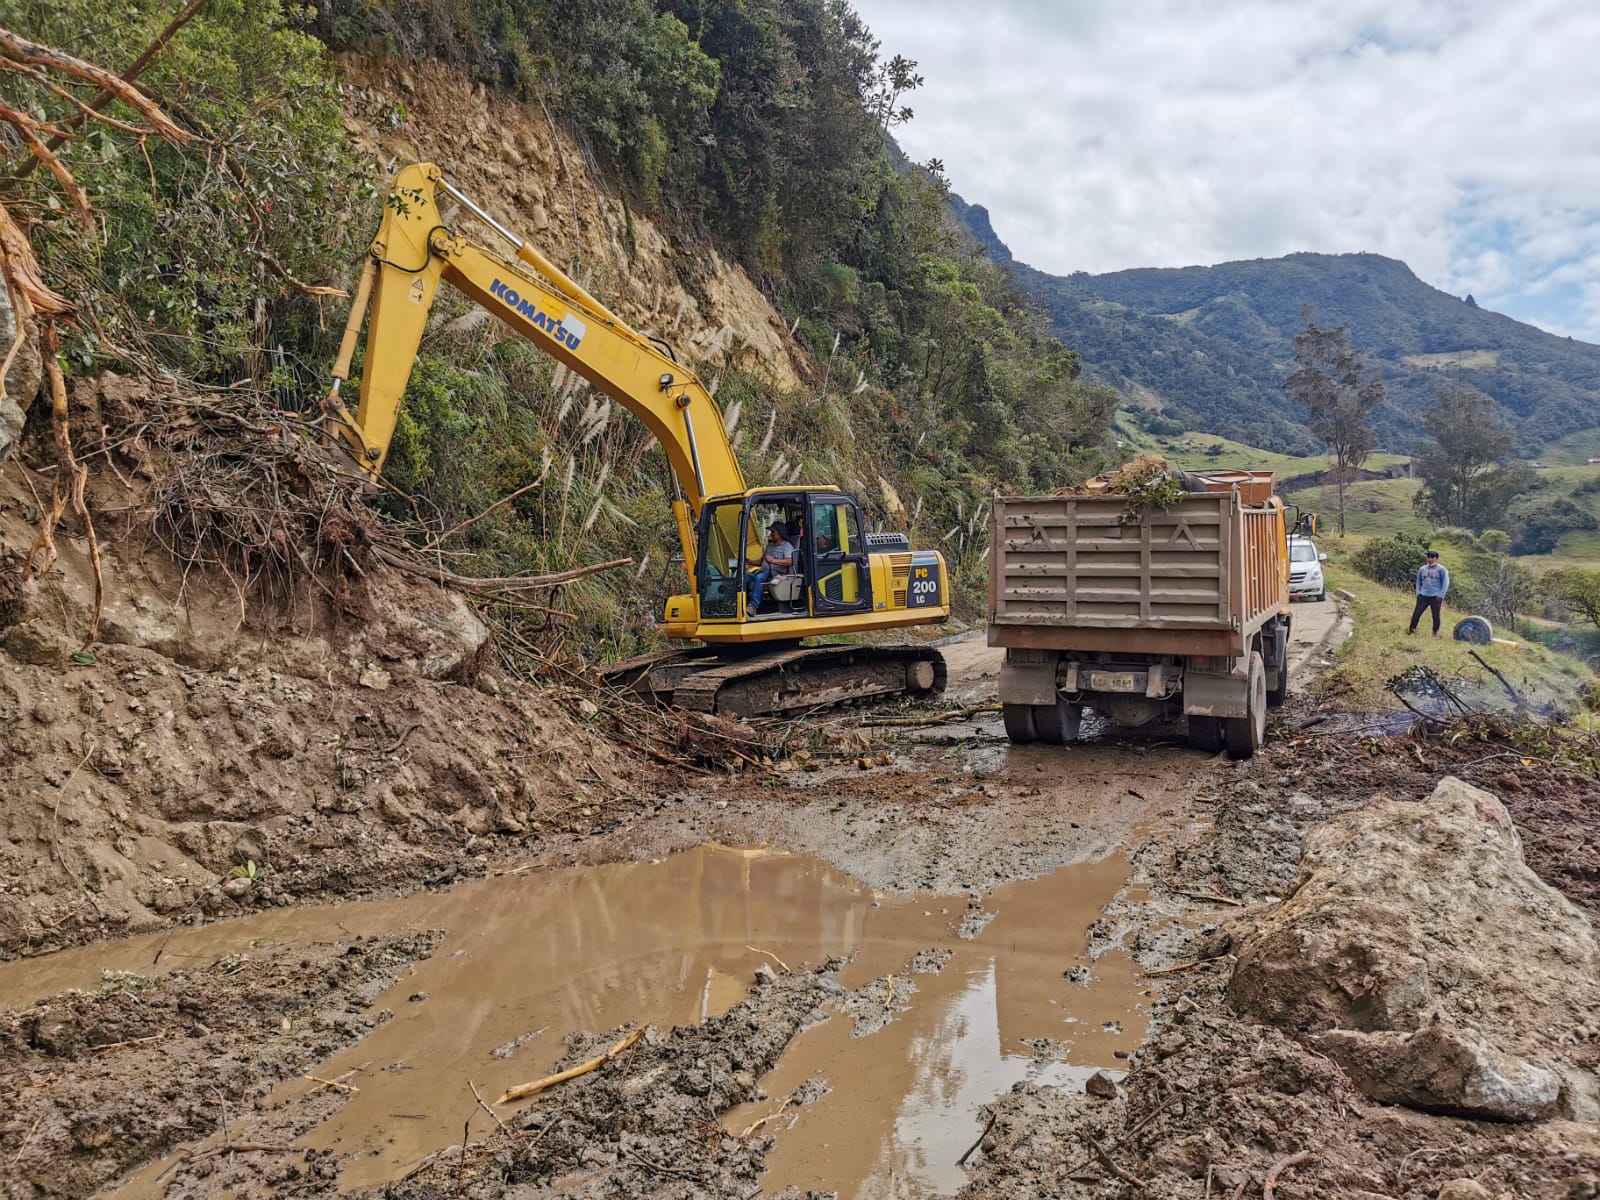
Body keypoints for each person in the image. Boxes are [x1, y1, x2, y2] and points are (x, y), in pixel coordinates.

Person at [746, 521, 795, 612]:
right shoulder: (770, 545)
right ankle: (741, 602)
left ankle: (753, 606)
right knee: (744, 577)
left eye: (773, 532)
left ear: (780, 533)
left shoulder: (786, 546)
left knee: (759, 578)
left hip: (776, 573)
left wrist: (773, 561)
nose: (771, 534)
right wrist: (749, 561)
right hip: (763, 571)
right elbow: (762, 561)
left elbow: (789, 562)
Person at [1408, 548, 1450, 636]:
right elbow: (1418, 581)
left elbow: (1445, 583)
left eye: (1432, 557)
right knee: (1416, 614)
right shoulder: (1422, 569)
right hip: (1423, 596)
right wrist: (1418, 593)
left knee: (1435, 616)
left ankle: (1435, 632)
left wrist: (1441, 595)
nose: (1430, 559)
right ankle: (1411, 631)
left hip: (1436, 597)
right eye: (1428, 557)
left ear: (1436, 559)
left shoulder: (1442, 569)